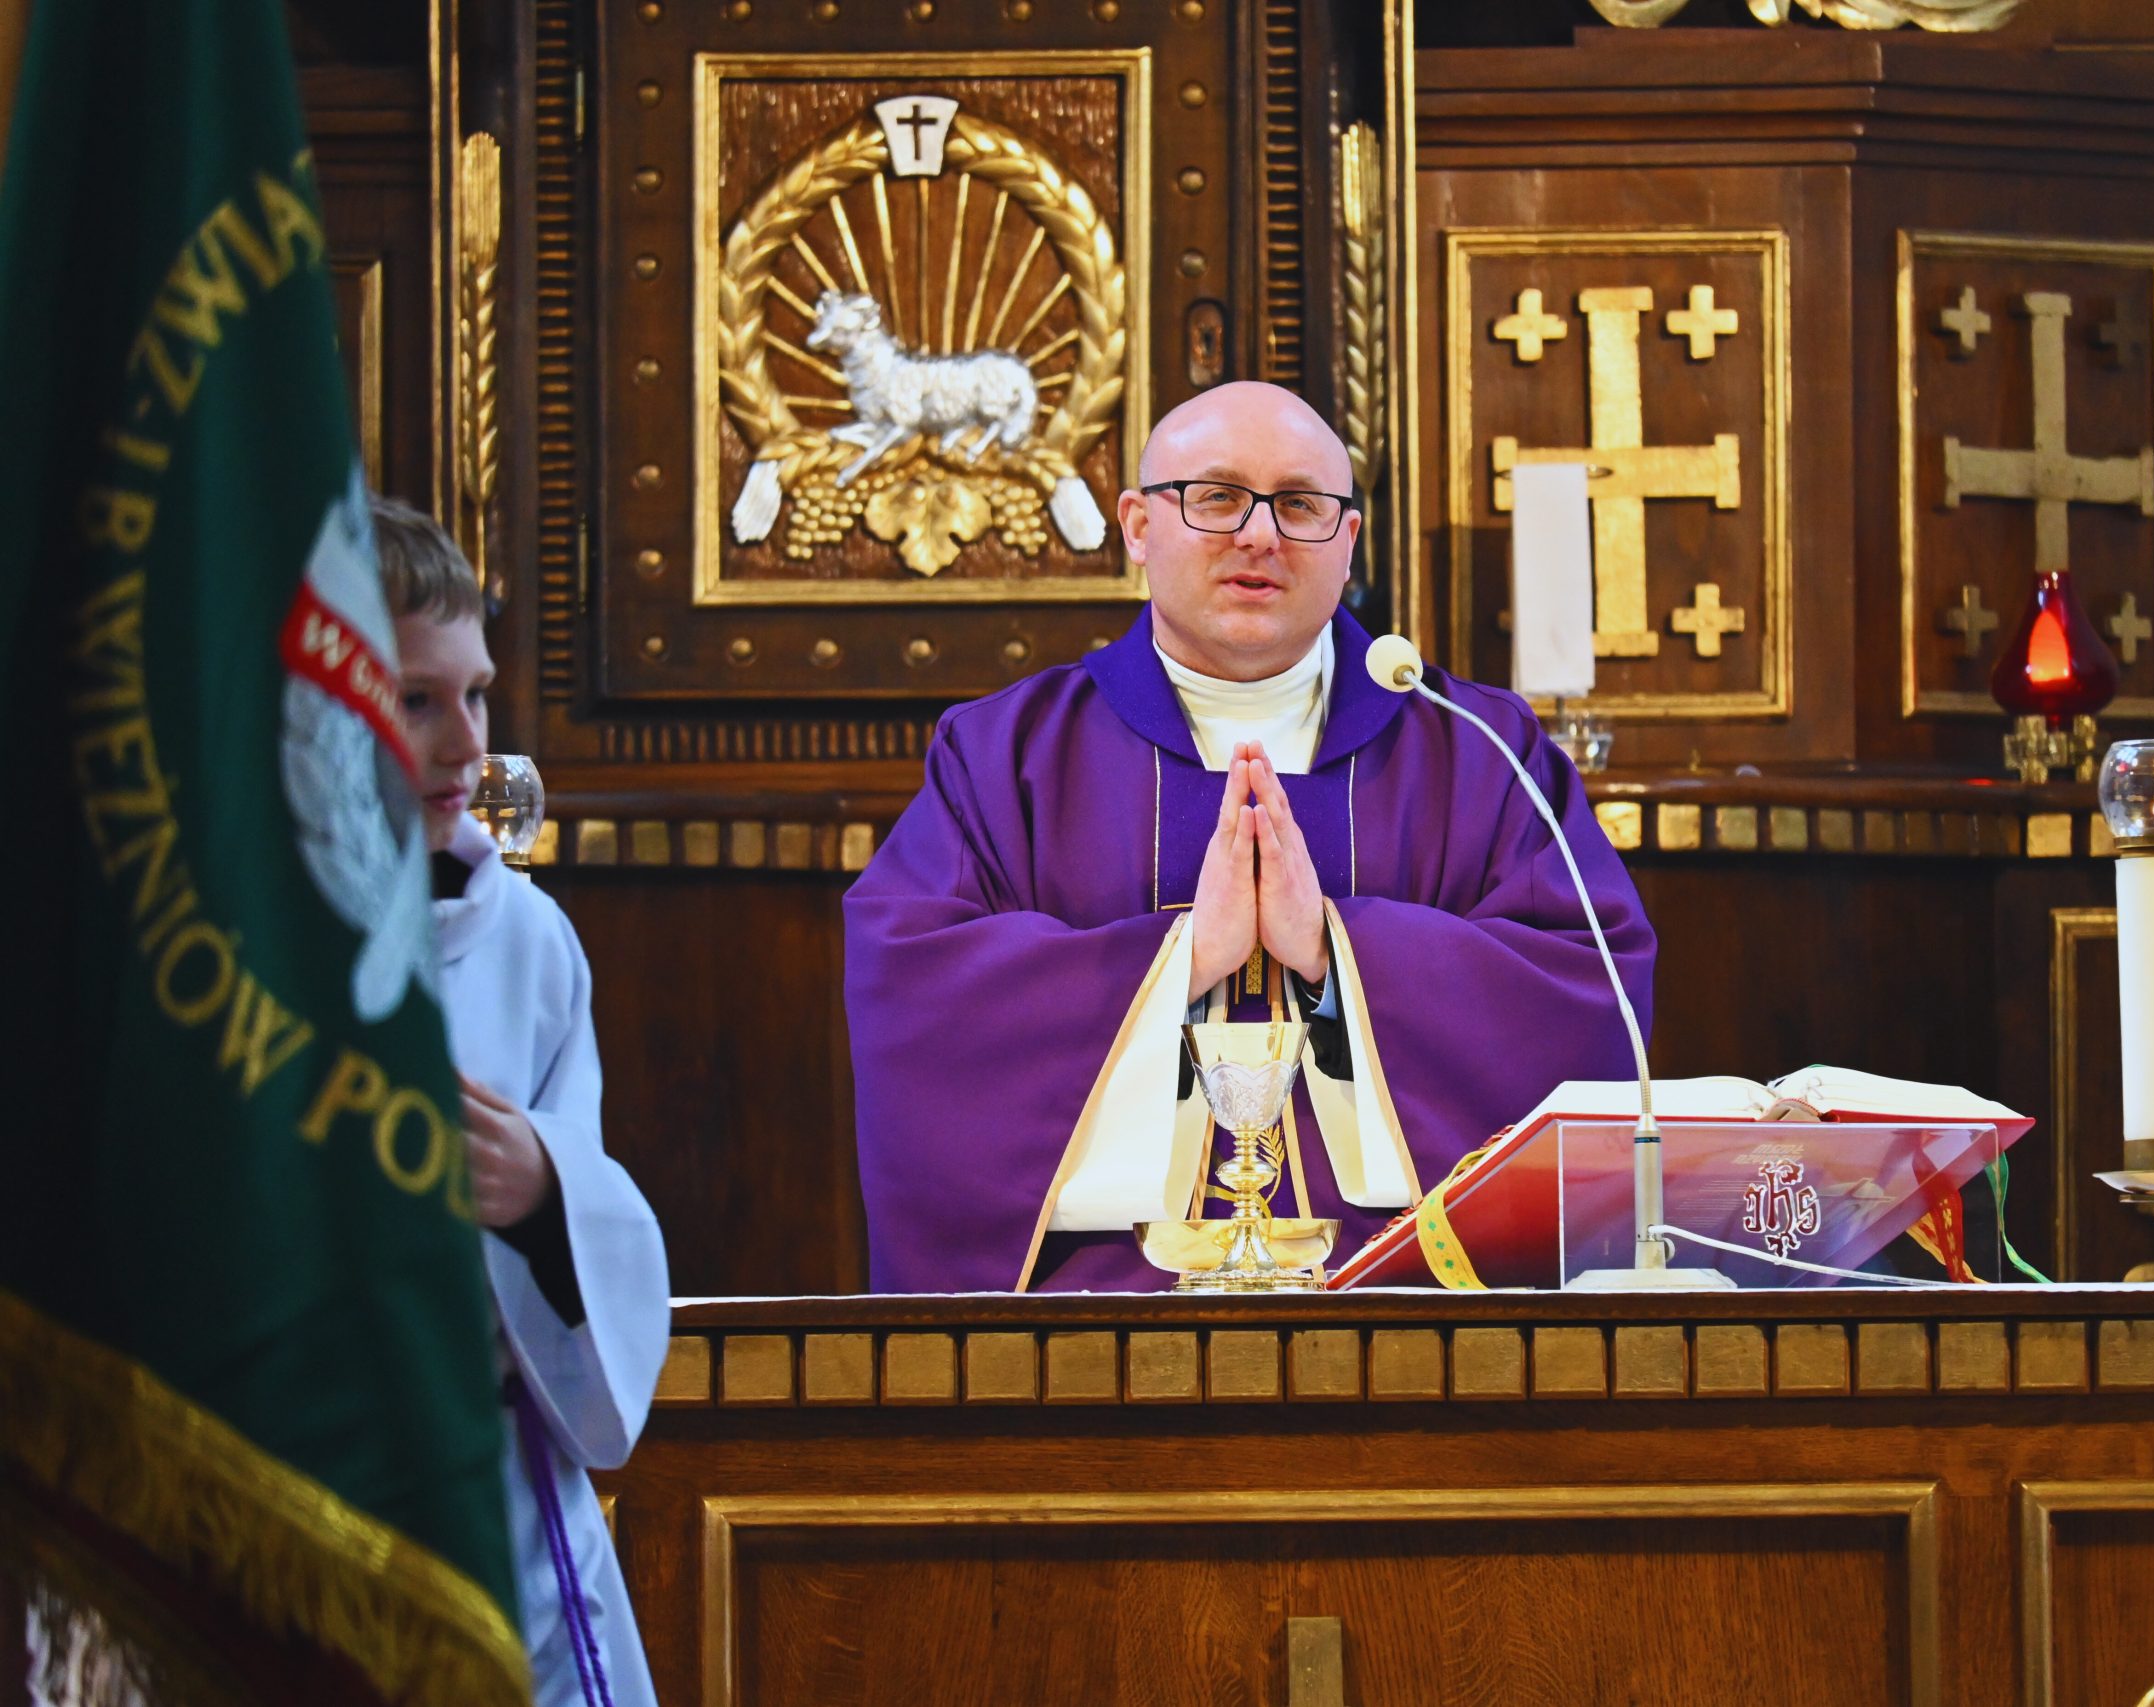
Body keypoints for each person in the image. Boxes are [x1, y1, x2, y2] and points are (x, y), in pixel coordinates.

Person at [842, 382, 1656, 1293]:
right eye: (1217, 496)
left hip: (1406, 1305)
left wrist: (1336, 949)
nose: (1260, 534)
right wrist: (1183, 957)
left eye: (1300, 504)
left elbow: (1591, 998)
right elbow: (914, 1001)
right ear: (1138, 525)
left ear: (1348, 541)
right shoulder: (1009, 754)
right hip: (1101, 1314)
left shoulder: (1478, 750)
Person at [378, 498, 668, 1707]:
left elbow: (577, 1172)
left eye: (477, 696)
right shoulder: (215, 943)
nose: (465, 745)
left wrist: (545, 1191)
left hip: (492, 1491)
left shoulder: (526, 939)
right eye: (416, 700)